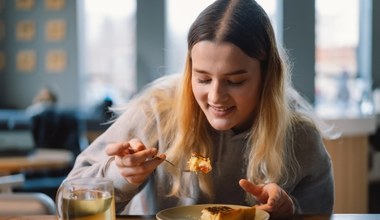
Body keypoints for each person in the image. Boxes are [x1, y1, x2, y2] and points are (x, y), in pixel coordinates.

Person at [65, 0, 334, 218]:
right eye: (203, 79)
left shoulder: (298, 132)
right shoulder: (157, 112)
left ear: (267, 76)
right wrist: (120, 175)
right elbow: (68, 195)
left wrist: (289, 211)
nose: (215, 96)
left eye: (235, 81)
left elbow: (319, 213)